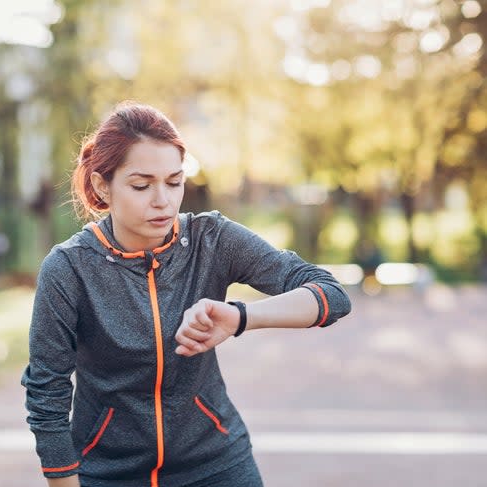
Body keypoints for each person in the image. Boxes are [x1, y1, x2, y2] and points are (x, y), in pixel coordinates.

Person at [21, 102, 352, 487]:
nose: (162, 200)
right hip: (110, 473)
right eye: (142, 185)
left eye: (174, 182)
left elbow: (331, 296)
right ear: (101, 185)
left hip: (218, 465)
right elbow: (47, 390)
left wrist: (240, 317)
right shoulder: (69, 268)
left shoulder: (211, 240)